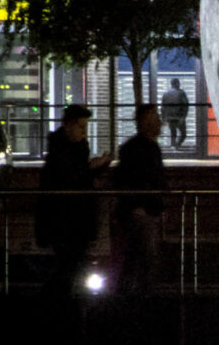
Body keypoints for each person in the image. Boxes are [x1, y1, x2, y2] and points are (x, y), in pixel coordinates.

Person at [38, 104, 110, 295]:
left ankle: (60, 303)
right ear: (69, 125)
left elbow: (79, 175)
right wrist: (93, 167)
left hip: (76, 219)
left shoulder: (74, 147)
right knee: (68, 265)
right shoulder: (60, 150)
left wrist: (97, 167)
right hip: (64, 220)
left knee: (70, 266)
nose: (84, 133)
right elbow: (69, 178)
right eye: (81, 127)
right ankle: (56, 303)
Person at [113, 103, 167, 293]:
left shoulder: (144, 147)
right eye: (155, 118)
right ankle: (137, 297)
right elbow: (129, 180)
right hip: (141, 212)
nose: (160, 122)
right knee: (142, 257)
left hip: (145, 210)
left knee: (138, 257)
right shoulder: (139, 149)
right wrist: (138, 205)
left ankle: (132, 295)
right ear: (145, 122)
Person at [160, 78, 190, 148]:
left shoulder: (165, 94)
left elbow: (163, 107)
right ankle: (177, 145)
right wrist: (184, 116)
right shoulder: (181, 93)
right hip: (179, 117)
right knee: (183, 134)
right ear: (177, 83)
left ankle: (173, 146)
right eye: (179, 83)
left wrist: (163, 118)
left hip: (170, 118)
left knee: (173, 134)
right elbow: (185, 106)